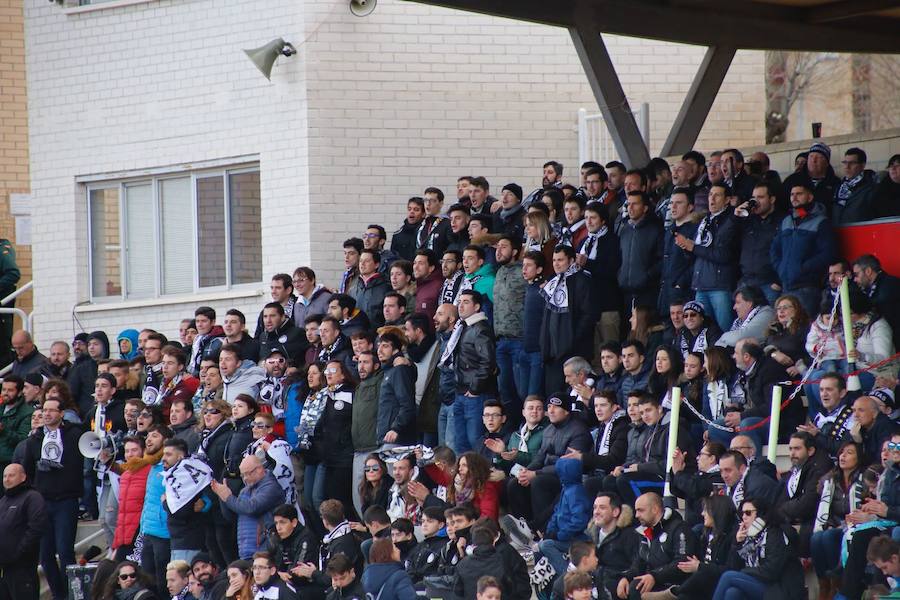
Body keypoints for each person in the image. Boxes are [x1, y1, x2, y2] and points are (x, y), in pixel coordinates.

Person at [21, 395, 83, 600]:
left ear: (62, 413)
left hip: (66, 500)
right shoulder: (35, 439)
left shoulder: (74, 435)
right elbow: (27, 471)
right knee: (45, 555)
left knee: (65, 551)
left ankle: (73, 593)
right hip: (43, 502)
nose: (46, 414)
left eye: (51, 410)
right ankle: (59, 595)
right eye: (44, 411)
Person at [711, 497, 805, 600]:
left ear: (760, 514)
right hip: (759, 582)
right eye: (742, 514)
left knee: (728, 577)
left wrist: (744, 571)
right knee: (733, 593)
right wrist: (737, 544)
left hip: (778, 587)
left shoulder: (774, 533)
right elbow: (733, 567)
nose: (744, 517)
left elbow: (771, 571)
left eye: (748, 513)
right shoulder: (748, 537)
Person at [770, 181, 836, 317]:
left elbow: (828, 254)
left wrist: (802, 268)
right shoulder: (786, 220)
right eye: (792, 194)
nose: (794, 197)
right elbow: (774, 249)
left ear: (810, 197)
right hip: (786, 286)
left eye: (799, 194)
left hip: (808, 288)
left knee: (804, 330)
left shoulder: (821, 222)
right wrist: (781, 267)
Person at [617, 492, 697, 600]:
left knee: (636, 588)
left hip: (677, 585)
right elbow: (639, 563)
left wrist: (654, 576)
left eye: (640, 510)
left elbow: (682, 562)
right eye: (636, 511)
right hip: (657, 581)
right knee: (620, 585)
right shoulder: (645, 531)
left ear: (654, 509)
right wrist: (626, 577)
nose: (636, 515)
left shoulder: (680, 528)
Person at [540, 245, 597, 395]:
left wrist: (571, 339)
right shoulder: (552, 282)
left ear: (571, 260)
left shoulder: (582, 280)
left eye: (560, 260)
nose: (556, 264)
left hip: (572, 352)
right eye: (554, 260)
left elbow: (588, 315)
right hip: (552, 354)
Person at [447, 290, 496, 453]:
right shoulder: (463, 328)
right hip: (461, 392)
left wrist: (475, 388)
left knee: (475, 443)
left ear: (476, 306)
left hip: (475, 394)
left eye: (466, 302)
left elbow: (487, 362)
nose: (460, 305)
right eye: (459, 301)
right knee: (461, 443)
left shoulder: (481, 329)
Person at [212, 455, 284, 560]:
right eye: (242, 475)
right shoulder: (245, 491)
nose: (245, 479)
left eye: (247, 474)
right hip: (245, 552)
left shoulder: (271, 487)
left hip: (265, 550)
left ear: (259, 469)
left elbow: (251, 508)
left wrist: (228, 497)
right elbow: (231, 516)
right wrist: (223, 497)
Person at [0, 463, 46, 600]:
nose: (7, 479)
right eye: (5, 476)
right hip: (4, 569)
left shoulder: (32, 497)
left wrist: (18, 552)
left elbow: (36, 528)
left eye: (11, 475)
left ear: (23, 477)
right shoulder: (3, 501)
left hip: (23, 568)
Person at [492, 235, 527, 417]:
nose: (498, 250)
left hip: (519, 340)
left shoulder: (523, 271)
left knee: (521, 390)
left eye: (503, 247)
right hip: (501, 341)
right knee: (504, 390)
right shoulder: (499, 272)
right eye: (497, 247)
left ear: (514, 251)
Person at [452, 521, 531, 600]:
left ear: (473, 544)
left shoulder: (462, 565)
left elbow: (457, 592)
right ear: (493, 541)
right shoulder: (504, 560)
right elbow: (519, 587)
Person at [618, 191, 664, 310]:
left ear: (645, 208)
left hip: (647, 292)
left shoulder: (655, 229)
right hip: (625, 292)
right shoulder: (624, 229)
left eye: (635, 204)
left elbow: (662, 259)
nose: (630, 208)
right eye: (629, 204)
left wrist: (647, 276)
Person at [265, 504, 319, 595]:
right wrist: (278, 574)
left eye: (282, 522)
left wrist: (278, 574)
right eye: (276, 523)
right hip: (288, 587)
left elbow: (298, 573)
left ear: (294, 522)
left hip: (307, 589)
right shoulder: (279, 538)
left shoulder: (306, 539)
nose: (278, 527)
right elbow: (275, 566)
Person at [833, 147, 877, 225]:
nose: (847, 166)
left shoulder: (871, 188)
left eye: (852, 163)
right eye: (845, 162)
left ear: (862, 165)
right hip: (839, 233)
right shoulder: (839, 186)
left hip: (860, 232)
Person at [391, 197, 426, 262]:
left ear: (423, 214)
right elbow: (393, 258)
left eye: (416, 210)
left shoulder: (427, 233)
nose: (412, 212)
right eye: (409, 209)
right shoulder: (398, 234)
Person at [413, 249, 443, 319]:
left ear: (431, 268)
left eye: (420, 263)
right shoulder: (418, 284)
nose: (415, 267)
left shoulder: (438, 286)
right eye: (414, 263)